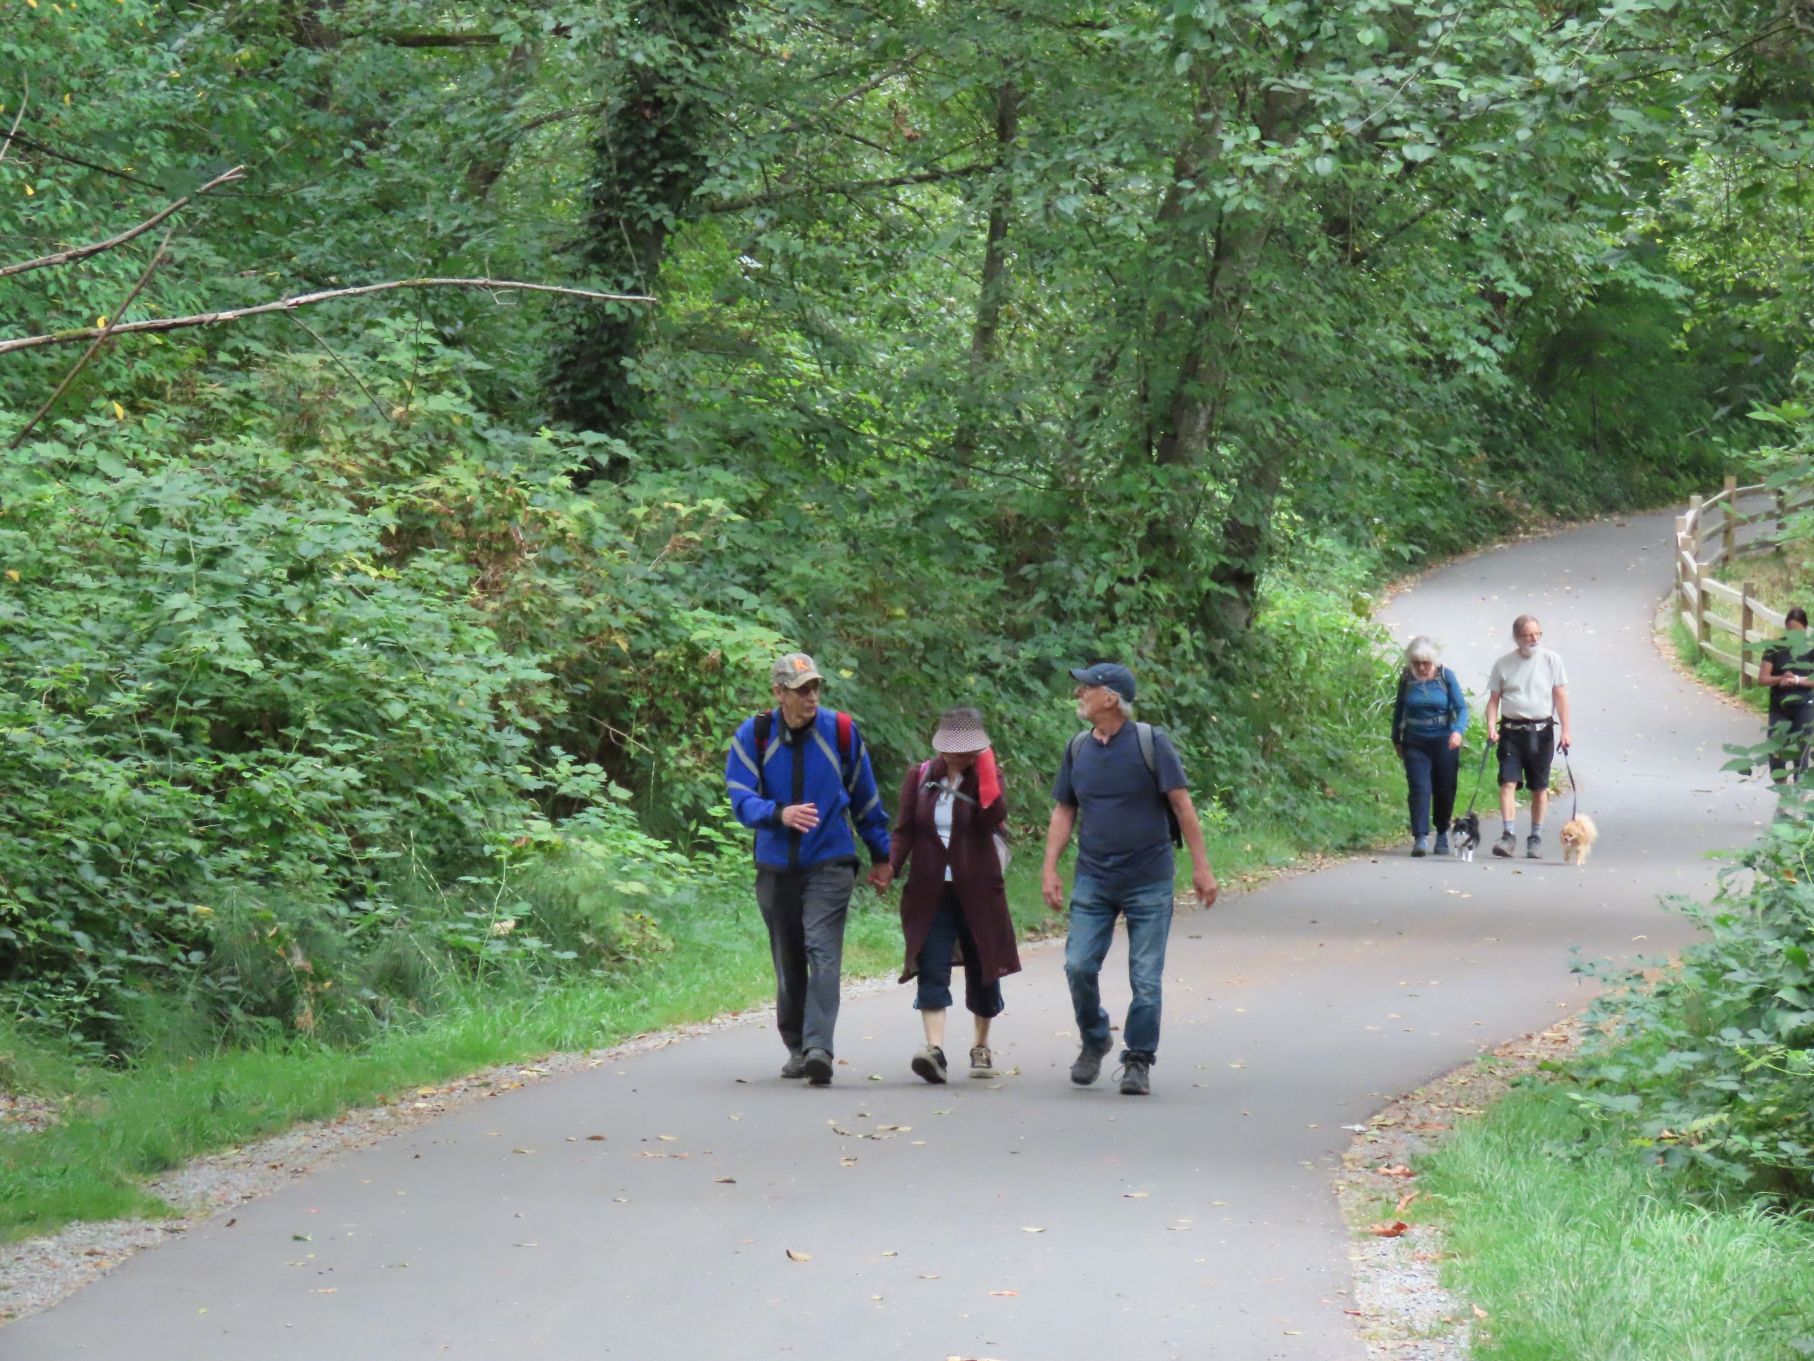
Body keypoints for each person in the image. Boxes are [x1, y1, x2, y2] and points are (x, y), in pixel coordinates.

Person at [1040, 662, 1219, 1097]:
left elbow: (1181, 805)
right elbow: (1065, 810)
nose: (1080, 693)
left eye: (1088, 687)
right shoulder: (1078, 748)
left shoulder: (1149, 743)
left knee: (1145, 976)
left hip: (1149, 878)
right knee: (1077, 964)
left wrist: (1201, 867)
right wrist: (1049, 867)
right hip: (1094, 877)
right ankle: (1095, 1037)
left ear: (1111, 698)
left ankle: (1138, 1058)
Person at [725, 652, 892, 1086]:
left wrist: (882, 855)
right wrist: (777, 813)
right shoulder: (755, 735)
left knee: (823, 950)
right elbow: (740, 796)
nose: (811, 696)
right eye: (801, 690)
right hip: (776, 866)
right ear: (779, 693)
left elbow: (865, 797)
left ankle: (820, 1048)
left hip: (830, 861)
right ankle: (797, 1046)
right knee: (789, 956)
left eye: (815, 687)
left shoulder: (839, 732)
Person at [888, 707, 1022, 1084]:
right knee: (931, 962)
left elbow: (993, 814)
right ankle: (934, 1050)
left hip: (978, 889)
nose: (957, 755)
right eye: (952, 749)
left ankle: (981, 1045)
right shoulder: (919, 778)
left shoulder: (987, 777)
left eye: (966, 749)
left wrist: (984, 771)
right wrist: (890, 867)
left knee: (984, 965)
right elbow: (904, 831)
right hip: (930, 890)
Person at [1483, 615, 1572, 859]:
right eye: (1528, 635)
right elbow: (1493, 701)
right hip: (1511, 732)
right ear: (1517, 637)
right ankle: (1508, 835)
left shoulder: (1551, 660)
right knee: (1507, 782)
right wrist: (1491, 727)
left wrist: (1565, 730)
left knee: (1540, 787)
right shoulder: (1503, 664)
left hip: (1541, 731)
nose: (1534, 639)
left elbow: (1560, 696)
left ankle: (1535, 838)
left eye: (1537, 634)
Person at [1390, 636, 1469, 857]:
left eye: (1425, 663)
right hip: (1415, 741)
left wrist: (1457, 731)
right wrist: (1396, 739)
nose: (1422, 668)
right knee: (1419, 788)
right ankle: (1421, 837)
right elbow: (1399, 710)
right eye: (1416, 663)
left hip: (1444, 740)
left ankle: (1442, 831)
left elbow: (1461, 708)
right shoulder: (1406, 679)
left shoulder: (1446, 677)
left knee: (1445, 788)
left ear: (1432, 662)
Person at [1759, 606, 1814, 784]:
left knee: (1800, 753)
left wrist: (1797, 680)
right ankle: (1782, 792)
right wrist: (1780, 679)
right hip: (1779, 707)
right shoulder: (1773, 649)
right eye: (1790, 631)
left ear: (1805, 629)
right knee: (1776, 753)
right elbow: (1763, 678)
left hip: (1804, 706)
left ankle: (1798, 796)